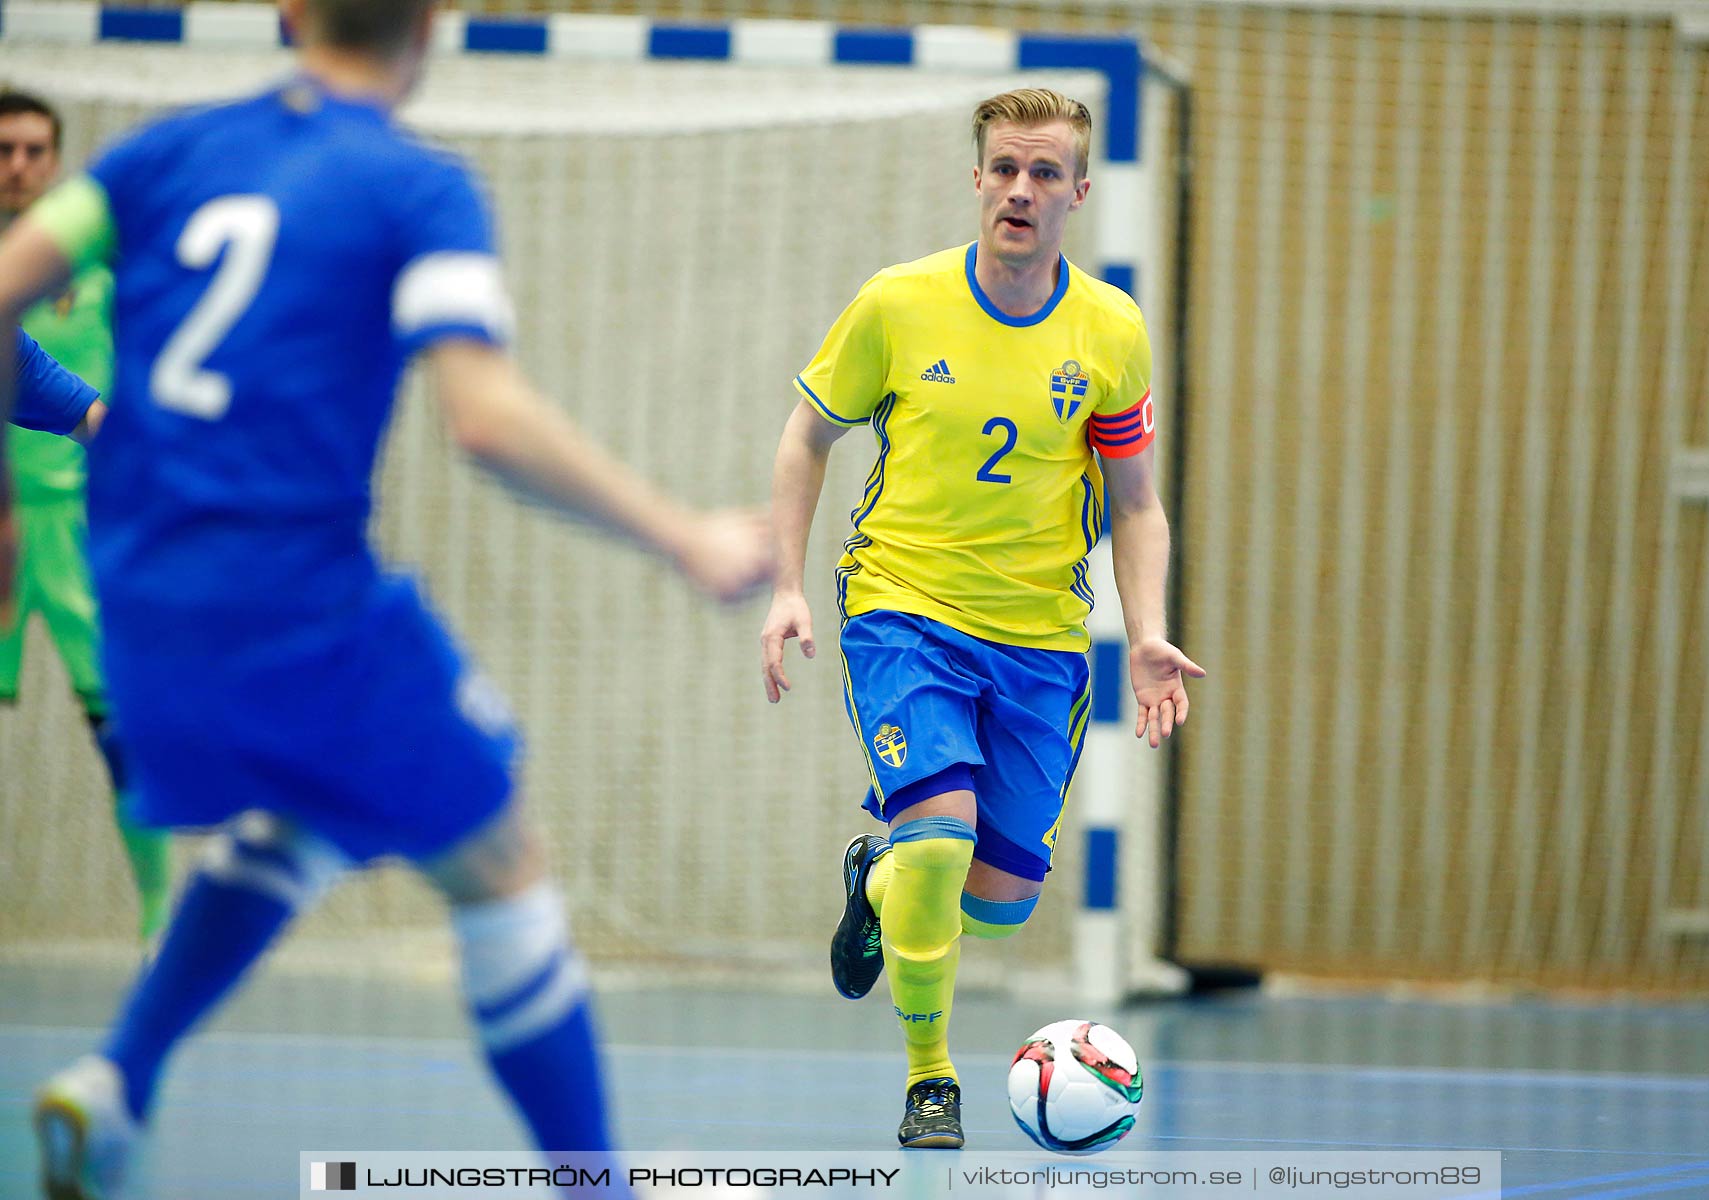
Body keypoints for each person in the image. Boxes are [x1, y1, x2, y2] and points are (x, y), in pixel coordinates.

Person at [0, 0, 771, 1194]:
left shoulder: (158, 156)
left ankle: (117, 1083)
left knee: (304, 813)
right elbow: (486, 418)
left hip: (142, 605)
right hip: (295, 604)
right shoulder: (417, 190)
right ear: (433, 28)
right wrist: (684, 537)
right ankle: (598, 1185)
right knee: (502, 857)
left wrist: (77, 412)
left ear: (289, 14)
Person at [759, 87, 1203, 1149]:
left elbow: (1136, 503)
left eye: (1046, 172)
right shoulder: (898, 304)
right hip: (904, 610)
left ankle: (880, 876)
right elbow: (804, 439)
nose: (1021, 189)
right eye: (1005, 167)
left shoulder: (1109, 329)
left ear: (1079, 193)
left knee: (996, 899)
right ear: (977, 178)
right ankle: (931, 1081)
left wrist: (1145, 631)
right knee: (944, 842)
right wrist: (785, 584)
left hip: (1041, 639)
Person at [0, 90, 168, 947]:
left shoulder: (98, 274)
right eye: (4, 150)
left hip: (74, 528)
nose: (19, 167)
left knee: (121, 733)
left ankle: (156, 916)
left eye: (35, 151)